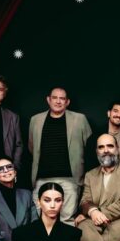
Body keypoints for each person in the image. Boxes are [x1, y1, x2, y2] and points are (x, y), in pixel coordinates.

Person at [28, 87, 92, 224]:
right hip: (42, 179)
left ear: (67, 102)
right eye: (55, 98)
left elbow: (89, 146)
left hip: (69, 179)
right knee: (40, 221)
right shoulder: (36, 120)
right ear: (48, 100)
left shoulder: (79, 119)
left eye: (62, 98)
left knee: (66, 220)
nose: (58, 101)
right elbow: (32, 147)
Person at [85, 101, 120, 171]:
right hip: (103, 175)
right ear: (109, 113)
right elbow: (90, 162)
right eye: (115, 111)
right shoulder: (96, 136)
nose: (119, 115)